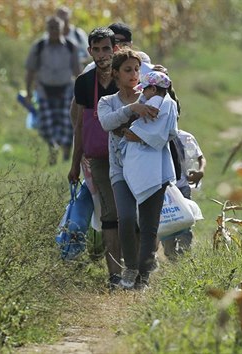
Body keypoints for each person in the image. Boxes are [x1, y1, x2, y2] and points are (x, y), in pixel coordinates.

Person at [98, 53, 177, 290]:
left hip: (152, 168)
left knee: (148, 224)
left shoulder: (156, 96)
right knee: (127, 217)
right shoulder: (108, 102)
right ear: (115, 74)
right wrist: (133, 109)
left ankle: (143, 277)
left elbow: (170, 123)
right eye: (128, 70)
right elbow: (106, 123)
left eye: (137, 70)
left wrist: (164, 89)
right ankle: (130, 268)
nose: (134, 75)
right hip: (120, 169)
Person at [68, 27, 123, 289]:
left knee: (130, 212)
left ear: (116, 49)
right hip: (99, 157)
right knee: (110, 213)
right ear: (89, 51)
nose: (101, 55)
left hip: (129, 155)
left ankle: (135, 268)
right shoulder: (84, 83)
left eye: (106, 49)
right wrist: (75, 163)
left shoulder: (126, 76)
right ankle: (115, 275)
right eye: (96, 49)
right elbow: (80, 125)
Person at [25, 16, 81, 165]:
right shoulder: (39, 46)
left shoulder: (71, 46)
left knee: (67, 122)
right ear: (47, 29)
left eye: (57, 27)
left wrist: (83, 91)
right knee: (46, 124)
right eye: (51, 27)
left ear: (62, 28)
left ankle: (66, 149)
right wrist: (29, 92)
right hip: (44, 89)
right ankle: (52, 148)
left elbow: (77, 70)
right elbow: (30, 70)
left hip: (66, 89)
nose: (54, 31)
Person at [162, 128, 206, 259]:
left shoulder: (186, 137)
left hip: (182, 186)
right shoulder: (157, 137)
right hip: (165, 188)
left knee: (186, 221)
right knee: (168, 222)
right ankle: (170, 252)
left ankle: (185, 253)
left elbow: (200, 157)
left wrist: (201, 171)